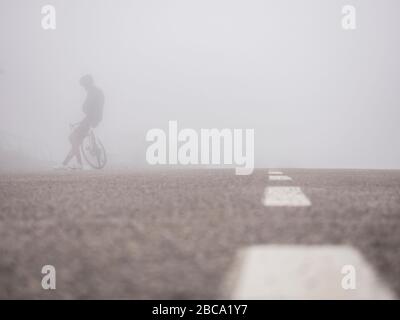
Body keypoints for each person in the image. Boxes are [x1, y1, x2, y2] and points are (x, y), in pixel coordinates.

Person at [56, 75, 104, 169]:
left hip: (91, 119)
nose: (84, 88)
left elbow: (89, 107)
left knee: (73, 138)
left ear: (87, 84)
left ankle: (78, 164)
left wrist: (91, 118)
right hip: (92, 118)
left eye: (84, 86)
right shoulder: (96, 91)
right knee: (75, 140)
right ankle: (67, 163)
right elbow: (94, 108)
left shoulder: (93, 92)